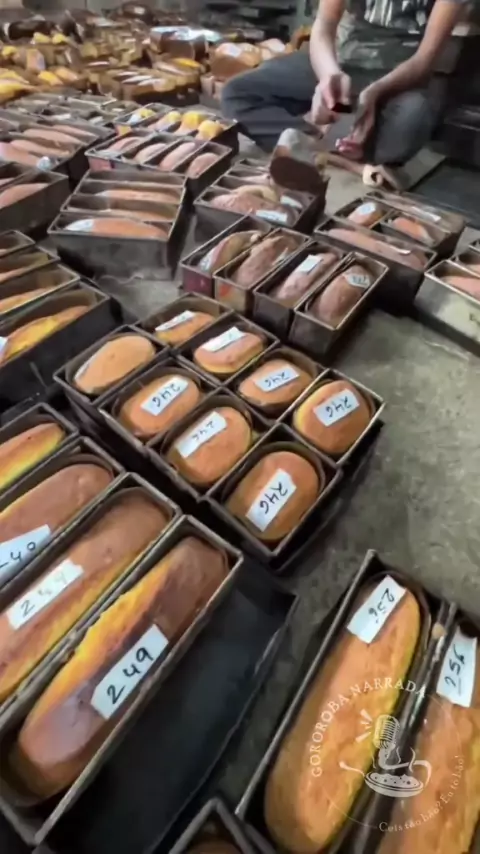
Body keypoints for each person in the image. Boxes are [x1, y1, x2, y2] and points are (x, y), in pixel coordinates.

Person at [221, 0, 470, 164]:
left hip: (397, 81)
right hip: (340, 62)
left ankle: (334, 149)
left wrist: (375, 93)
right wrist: (328, 75)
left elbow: (423, 61)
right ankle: (325, 150)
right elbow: (323, 27)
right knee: (238, 93)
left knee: (412, 122)